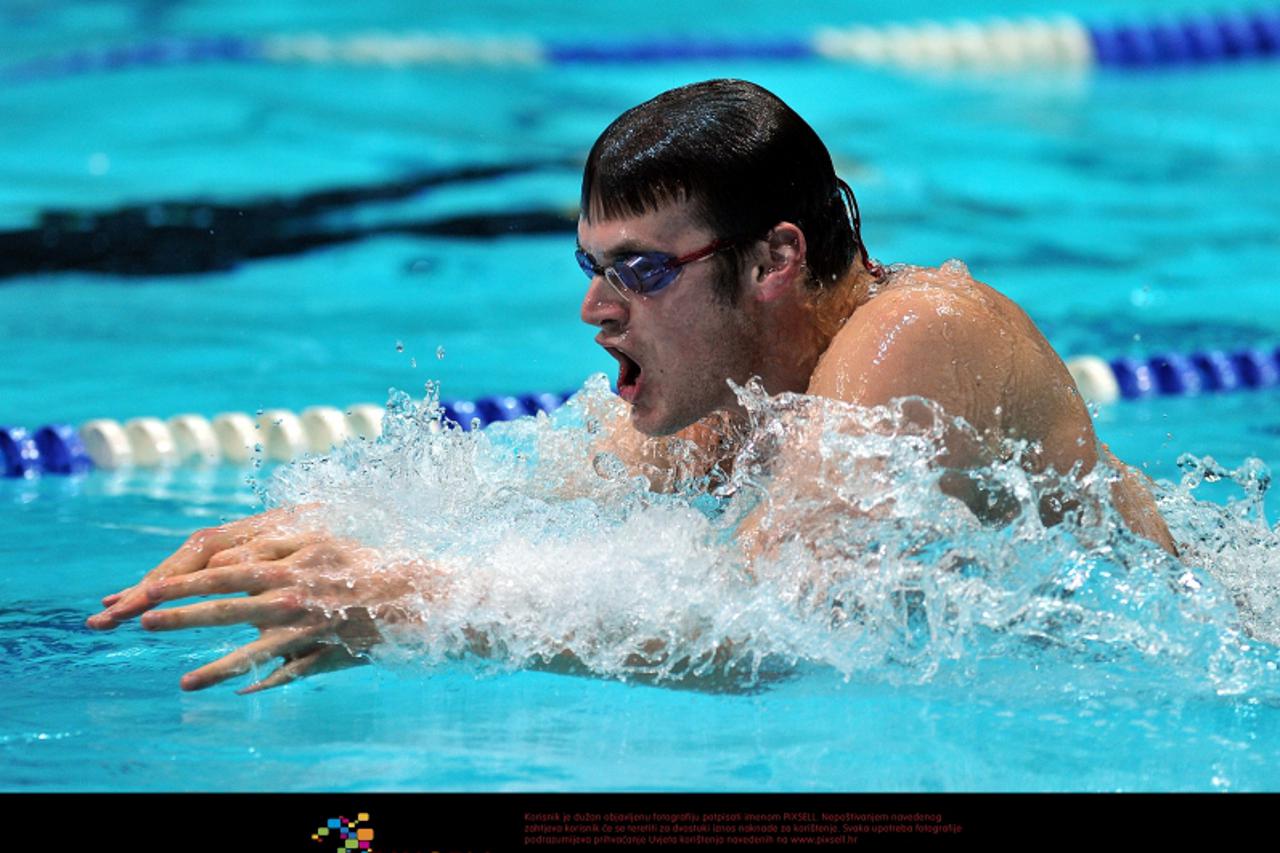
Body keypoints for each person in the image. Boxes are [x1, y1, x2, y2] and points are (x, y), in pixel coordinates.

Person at [86, 78, 1176, 692]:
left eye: (641, 271)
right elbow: (540, 497)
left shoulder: (915, 338)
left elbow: (768, 633)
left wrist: (412, 604)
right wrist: (314, 536)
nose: (595, 312)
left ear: (772, 261)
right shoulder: (734, 381)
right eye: (591, 269)